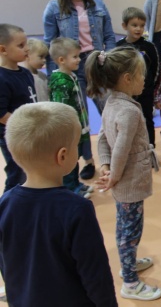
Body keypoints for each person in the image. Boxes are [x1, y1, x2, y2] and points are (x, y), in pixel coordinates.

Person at [0, 102, 118, 306]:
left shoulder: (5, 203)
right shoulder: (77, 209)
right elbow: (96, 276)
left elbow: (6, 264)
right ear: (62, 155)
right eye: (76, 145)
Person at [86, 47, 161, 301]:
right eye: (141, 75)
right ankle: (130, 282)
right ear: (127, 79)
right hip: (128, 181)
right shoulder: (129, 111)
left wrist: (106, 167)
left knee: (125, 227)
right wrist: (115, 175)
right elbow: (120, 148)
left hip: (122, 179)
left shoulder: (111, 103)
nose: (145, 79)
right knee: (130, 231)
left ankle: (129, 264)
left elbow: (103, 139)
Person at [43, 0, 116, 180]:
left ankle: (114, 156)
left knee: (110, 111)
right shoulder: (54, 8)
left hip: (97, 64)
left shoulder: (98, 5)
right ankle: (88, 161)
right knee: (78, 119)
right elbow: (50, 44)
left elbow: (109, 36)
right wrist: (54, 77)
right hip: (71, 68)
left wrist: (109, 59)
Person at [49, 37, 94, 199]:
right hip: (67, 128)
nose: (79, 59)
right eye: (75, 56)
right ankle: (70, 188)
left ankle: (76, 183)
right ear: (61, 60)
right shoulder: (60, 81)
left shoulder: (71, 76)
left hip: (78, 124)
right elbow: (60, 108)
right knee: (68, 159)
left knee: (75, 156)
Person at [0, 24, 36, 193]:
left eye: (26, 43)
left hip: (29, 132)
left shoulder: (26, 73)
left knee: (32, 171)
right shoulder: (2, 78)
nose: (27, 48)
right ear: (3, 50)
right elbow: (2, 114)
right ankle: (7, 204)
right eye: (21, 45)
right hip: (13, 136)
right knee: (17, 173)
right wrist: (25, 126)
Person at [117, 7, 160, 147]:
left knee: (147, 119)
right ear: (124, 26)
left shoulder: (149, 47)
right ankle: (129, 149)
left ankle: (149, 148)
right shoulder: (118, 47)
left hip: (145, 93)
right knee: (127, 121)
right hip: (125, 94)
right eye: (134, 25)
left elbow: (156, 69)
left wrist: (150, 87)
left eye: (142, 26)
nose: (138, 29)